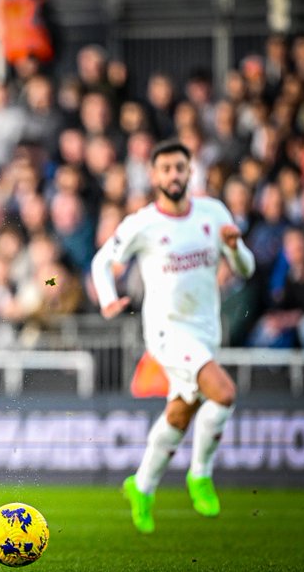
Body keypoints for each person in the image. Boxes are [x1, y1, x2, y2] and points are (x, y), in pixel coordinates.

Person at [91, 139, 255, 534]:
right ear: (154, 176)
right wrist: (109, 299)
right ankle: (201, 475)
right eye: (165, 169)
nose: (174, 175)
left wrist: (234, 251)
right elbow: (102, 261)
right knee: (224, 393)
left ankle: (142, 485)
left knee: (180, 412)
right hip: (166, 331)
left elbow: (246, 269)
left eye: (180, 168)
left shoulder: (213, 213)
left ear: (190, 171)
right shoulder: (143, 223)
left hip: (206, 329)